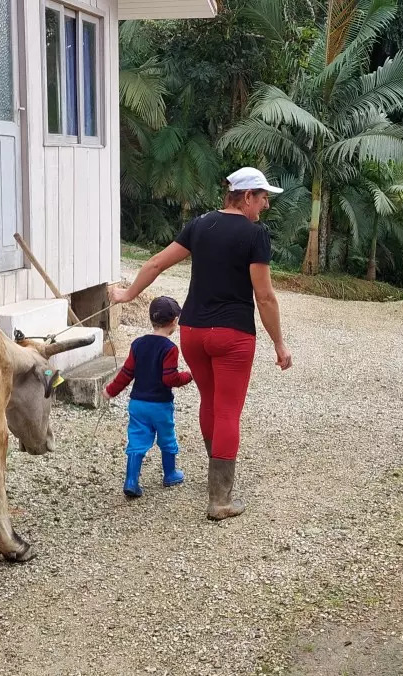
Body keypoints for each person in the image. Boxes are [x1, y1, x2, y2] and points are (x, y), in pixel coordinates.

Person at [109, 166, 293, 521]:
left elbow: (158, 262)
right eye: (263, 197)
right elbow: (265, 297)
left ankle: (215, 473)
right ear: (246, 197)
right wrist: (279, 344)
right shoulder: (255, 235)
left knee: (210, 401)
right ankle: (219, 499)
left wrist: (127, 293)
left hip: (193, 331)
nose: (266, 206)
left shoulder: (200, 225)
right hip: (233, 335)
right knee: (227, 410)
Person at [104, 296, 194, 499]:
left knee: (136, 440)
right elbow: (170, 378)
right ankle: (170, 474)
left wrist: (111, 390)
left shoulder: (137, 344)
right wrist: (189, 376)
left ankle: (131, 481)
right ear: (174, 322)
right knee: (167, 438)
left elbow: (126, 373)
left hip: (137, 404)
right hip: (160, 406)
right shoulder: (170, 348)